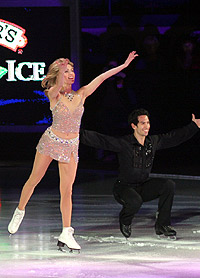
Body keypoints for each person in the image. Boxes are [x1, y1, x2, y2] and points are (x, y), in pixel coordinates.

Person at [7, 51, 138, 251]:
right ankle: (20, 210)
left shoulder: (81, 94)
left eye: (72, 70)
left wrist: (124, 65)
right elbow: (58, 85)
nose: (71, 74)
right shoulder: (53, 93)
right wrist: (59, 71)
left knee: (67, 190)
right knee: (34, 179)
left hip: (71, 146)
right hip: (51, 142)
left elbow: (102, 77)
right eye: (66, 71)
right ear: (58, 74)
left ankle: (66, 231)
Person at [79, 109, 200, 239]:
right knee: (136, 201)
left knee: (168, 185)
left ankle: (162, 225)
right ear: (133, 126)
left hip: (142, 186)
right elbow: (100, 140)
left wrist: (193, 127)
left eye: (147, 122)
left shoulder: (152, 142)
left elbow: (173, 138)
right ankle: (125, 220)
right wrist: (76, 132)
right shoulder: (124, 143)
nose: (146, 126)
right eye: (142, 123)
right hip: (124, 188)